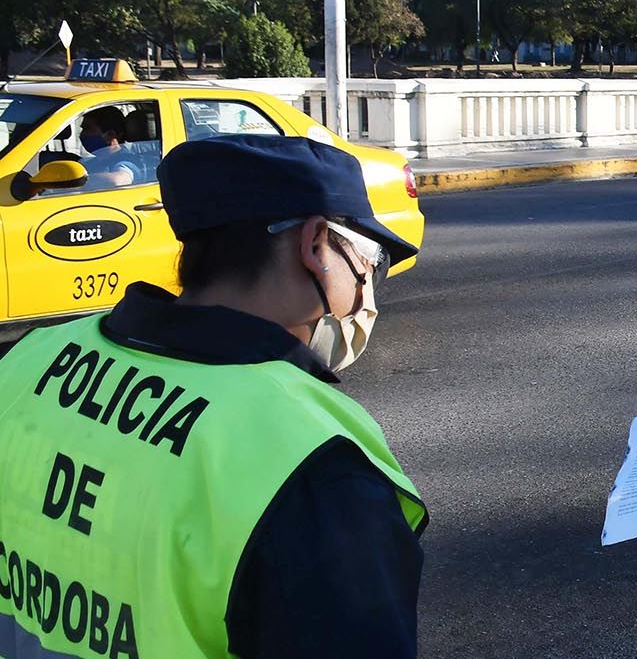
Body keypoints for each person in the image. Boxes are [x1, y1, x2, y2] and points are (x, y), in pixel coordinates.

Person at [0, 135, 427, 658]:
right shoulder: (312, 464)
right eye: (370, 261)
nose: (367, 286)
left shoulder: (32, 357)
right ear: (316, 246)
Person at [78, 106, 140, 189]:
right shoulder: (90, 162)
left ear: (110, 135)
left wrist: (76, 182)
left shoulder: (128, 160)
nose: (82, 134)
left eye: (88, 129)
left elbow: (117, 180)